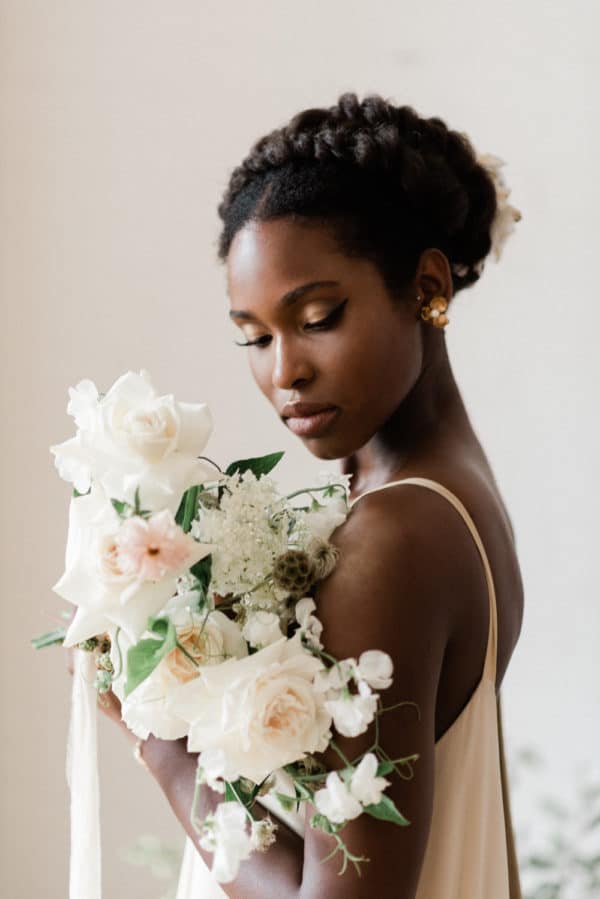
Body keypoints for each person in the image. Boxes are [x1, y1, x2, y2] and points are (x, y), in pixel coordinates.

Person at [75, 91, 525, 898]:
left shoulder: (393, 537)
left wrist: (160, 739)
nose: (283, 372)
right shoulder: (445, 488)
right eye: (252, 336)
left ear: (427, 285)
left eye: (318, 316)